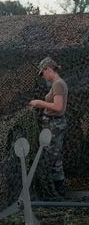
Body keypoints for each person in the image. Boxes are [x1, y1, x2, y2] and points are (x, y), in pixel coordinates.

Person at [28, 57, 68, 197]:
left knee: (53, 158)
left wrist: (39, 103)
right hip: (51, 123)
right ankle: (58, 190)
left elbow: (58, 107)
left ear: (48, 69)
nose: (43, 76)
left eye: (43, 72)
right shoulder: (56, 84)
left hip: (54, 124)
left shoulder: (58, 84)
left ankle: (59, 191)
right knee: (52, 156)